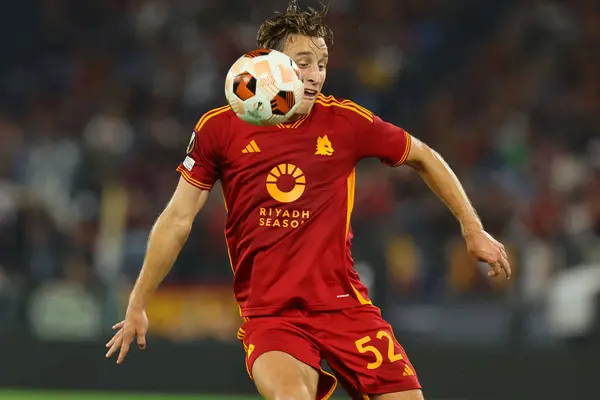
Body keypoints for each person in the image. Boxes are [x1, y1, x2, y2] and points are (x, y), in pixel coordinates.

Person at [105, 2, 512, 399]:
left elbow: (424, 156)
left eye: (322, 63)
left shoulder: (346, 122)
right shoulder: (220, 129)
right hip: (272, 315)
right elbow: (178, 218)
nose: (316, 75)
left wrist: (471, 228)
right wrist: (139, 301)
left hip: (345, 309)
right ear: (270, 65)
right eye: (303, 62)